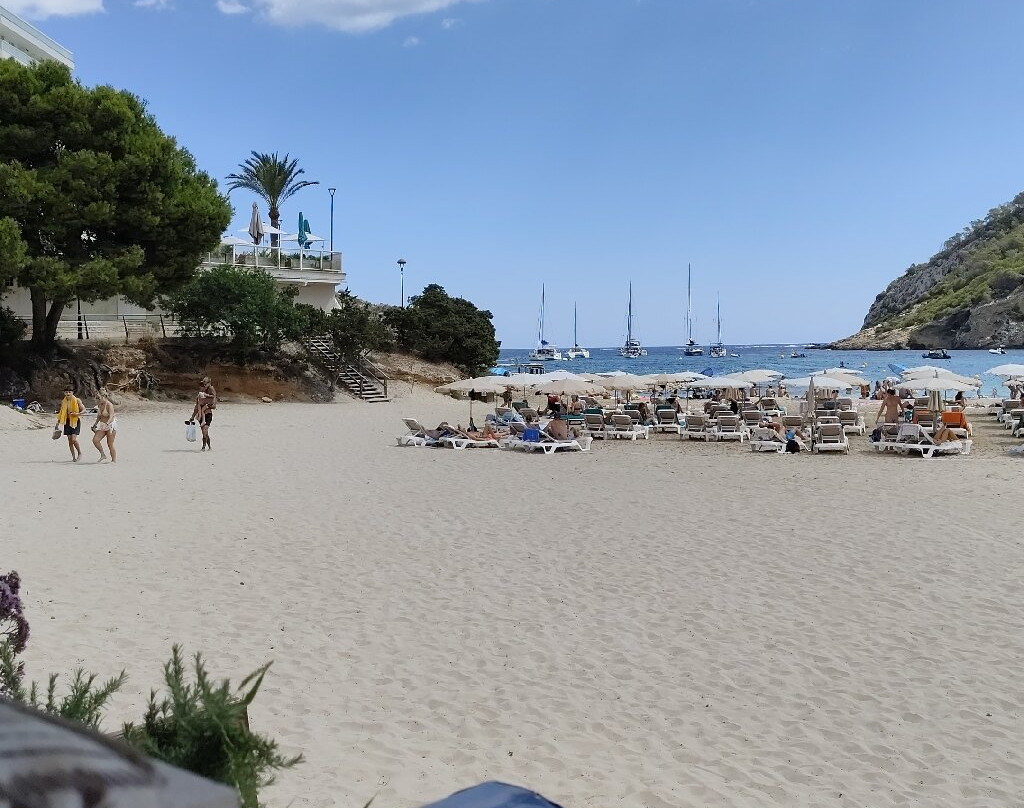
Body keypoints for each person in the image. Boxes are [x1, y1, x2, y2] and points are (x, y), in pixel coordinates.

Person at [56, 387, 85, 462]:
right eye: (66, 392)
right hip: (67, 421)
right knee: (69, 440)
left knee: (73, 439)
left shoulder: (77, 400)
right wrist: (57, 423)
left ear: (72, 392)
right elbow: (61, 413)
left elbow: (84, 410)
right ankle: (73, 457)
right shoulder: (63, 401)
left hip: (75, 421)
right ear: (64, 393)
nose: (68, 393)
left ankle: (79, 453)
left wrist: (77, 414)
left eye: (69, 392)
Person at [187, 376, 217, 451]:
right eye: (201, 387)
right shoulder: (199, 397)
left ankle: (203, 447)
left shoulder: (208, 395)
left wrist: (208, 404)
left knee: (205, 430)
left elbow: (214, 405)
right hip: (200, 416)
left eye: (203, 386)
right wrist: (192, 417)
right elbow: (196, 407)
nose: (202, 388)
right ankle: (209, 446)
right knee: (205, 432)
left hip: (208, 414)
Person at [90, 388, 117, 463]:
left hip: (110, 425)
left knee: (110, 444)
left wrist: (107, 423)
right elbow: (99, 416)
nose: (97, 399)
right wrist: (95, 424)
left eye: (98, 398)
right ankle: (102, 454)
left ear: (104, 397)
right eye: (97, 398)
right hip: (103, 425)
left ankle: (113, 460)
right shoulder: (99, 404)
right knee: (95, 440)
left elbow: (111, 416)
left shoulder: (109, 405)